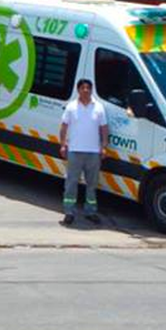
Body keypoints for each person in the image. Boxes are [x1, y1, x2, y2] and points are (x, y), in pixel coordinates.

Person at [59, 78, 108, 226]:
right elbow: (64, 126)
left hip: (93, 153)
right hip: (75, 151)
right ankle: (69, 212)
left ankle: (90, 211)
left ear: (91, 90)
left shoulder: (99, 107)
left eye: (88, 88)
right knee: (71, 183)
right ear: (78, 90)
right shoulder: (71, 107)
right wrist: (62, 144)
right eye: (83, 88)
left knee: (92, 184)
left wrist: (104, 146)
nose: (85, 90)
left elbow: (104, 128)